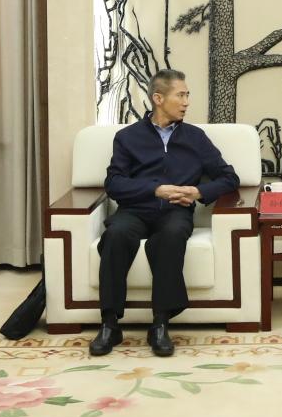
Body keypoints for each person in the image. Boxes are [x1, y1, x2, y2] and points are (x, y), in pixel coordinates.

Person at [94, 69, 240, 358]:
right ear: (158, 98)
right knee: (116, 235)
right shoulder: (127, 137)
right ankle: (110, 324)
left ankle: (160, 323)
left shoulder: (195, 138)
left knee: (172, 236)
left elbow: (229, 178)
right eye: (180, 95)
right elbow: (114, 183)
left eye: (187, 95)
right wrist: (155, 189)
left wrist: (198, 192)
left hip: (176, 212)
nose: (186, 102)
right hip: (135, 210)